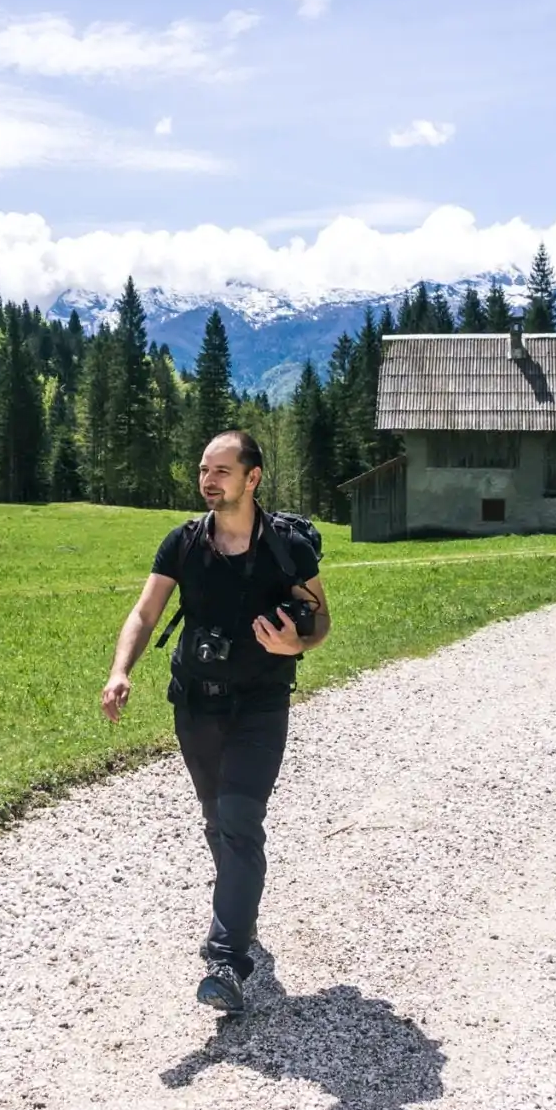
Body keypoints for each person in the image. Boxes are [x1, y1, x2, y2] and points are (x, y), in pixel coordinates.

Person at [100, 431, 330, 1015]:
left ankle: (227, 957)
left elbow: (322, 621)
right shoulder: (183, 543)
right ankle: (241, 911)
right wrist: (120, 670)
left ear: (252, 478)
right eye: (204, 469)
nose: (208, 479)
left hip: (261, 704)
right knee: (216, 819)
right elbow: (146, 611)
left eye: (222, 470)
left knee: (238, 817)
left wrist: (296, 643)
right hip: (195, 703)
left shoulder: (287, 548)